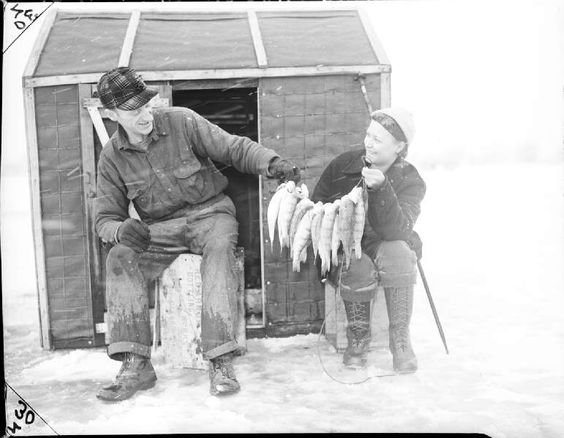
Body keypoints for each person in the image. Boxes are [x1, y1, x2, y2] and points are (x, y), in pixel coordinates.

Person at [94, 67, 300, 401]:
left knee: (220, 251)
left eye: (146, 105)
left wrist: (271, 163)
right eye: (134, 111)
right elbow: (104, 218)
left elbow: (234, 148)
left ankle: (220, 360)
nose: (145, 114)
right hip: (160, 229)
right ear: (111, 114)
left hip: (211, 214)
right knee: (119, 255)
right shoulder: (111, 158)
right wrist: (121, 230)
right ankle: (136, 363)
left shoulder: (182, 121)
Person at [311, 107, 426, 373]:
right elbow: (320, 210)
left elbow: (399, 230)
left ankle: (400, 340)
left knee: (399, 251)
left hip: (386, 242)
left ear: (399, 146)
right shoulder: (342, 166)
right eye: (368, 135)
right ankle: (358, 340)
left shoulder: (410, 179)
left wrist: (382, 189)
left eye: (378, 139)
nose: (368, 143)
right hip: (345, 248)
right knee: (357, 264)